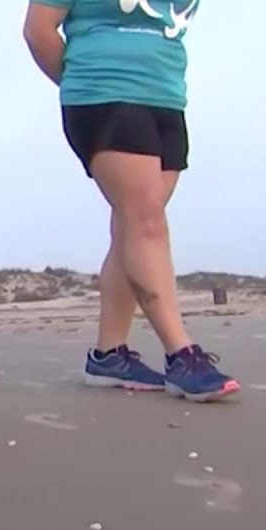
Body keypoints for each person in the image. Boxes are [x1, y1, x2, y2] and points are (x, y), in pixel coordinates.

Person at [24, 1, 238, 402]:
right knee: (145, 221)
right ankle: (181, 354)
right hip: (105, 93)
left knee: (132, 225)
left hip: (167, 96)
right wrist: (85, 82)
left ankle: (108, 354)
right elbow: (38, 31)